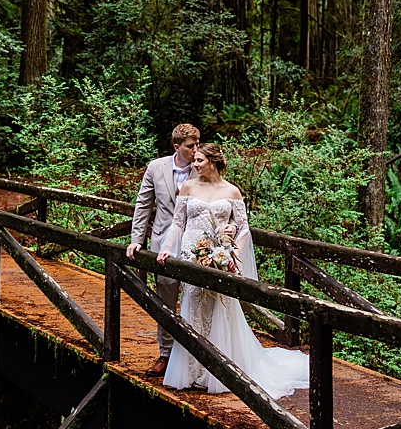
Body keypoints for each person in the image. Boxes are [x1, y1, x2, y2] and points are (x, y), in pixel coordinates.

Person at [156, 144, 310, 398]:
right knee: (193, 305)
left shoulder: (232, 191)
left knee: (219, 307)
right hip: (191, 255)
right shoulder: (188, 187)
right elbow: (177, 223)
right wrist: (167, 249)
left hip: (219, 254)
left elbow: (244, 228)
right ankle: (193, 370)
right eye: (194, 160)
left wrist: (231, 251)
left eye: (200, 160)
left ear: (213, 162)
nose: (195, 164)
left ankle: (219, 370)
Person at [129, 122, 200, 370]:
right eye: (191, 146)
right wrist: (137, 240)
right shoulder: (155, 168)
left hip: (195, 244)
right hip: (162, 244)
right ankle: (166, 354)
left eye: (197, 144)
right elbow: (143, 206)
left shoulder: (203, 168)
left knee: (195, 300)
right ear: (176, 146)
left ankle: (197, 357)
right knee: (166, 300)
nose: (195, 150)